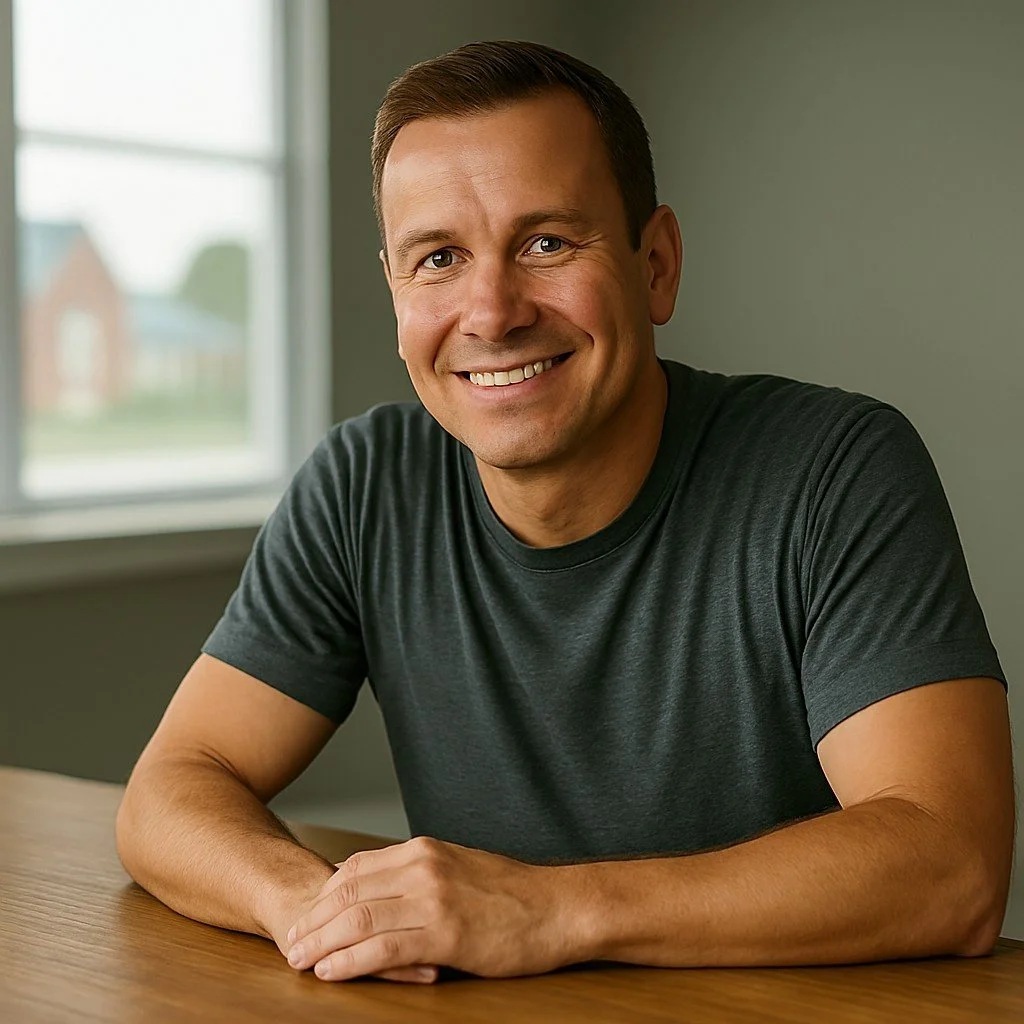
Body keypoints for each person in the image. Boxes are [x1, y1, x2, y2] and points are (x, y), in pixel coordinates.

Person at [115, 41, 1015, 986]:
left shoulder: (835, 469)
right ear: (396, 290)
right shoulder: (363, 483)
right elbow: (172, 788)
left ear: (656, 263)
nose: (492, 311)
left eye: (546, 243)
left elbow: (949, 865)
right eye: (439, 258)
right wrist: (317, 913)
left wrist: (549, 910)